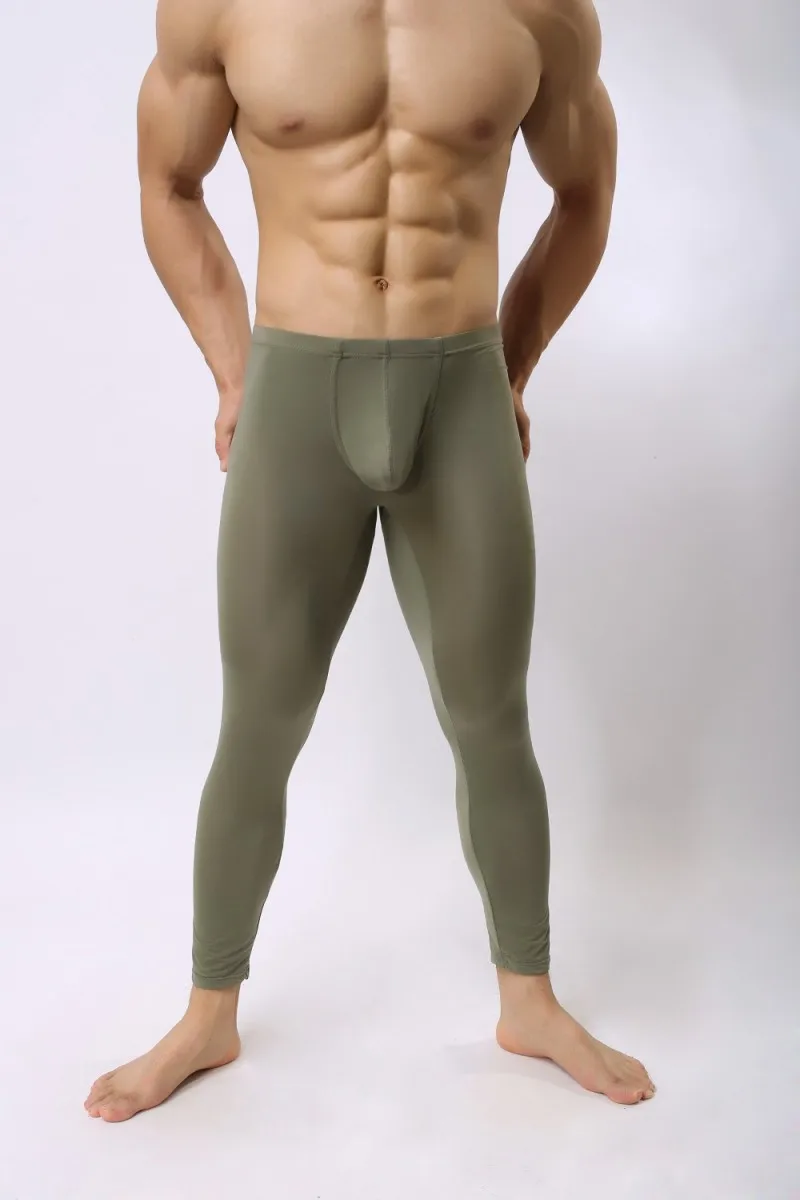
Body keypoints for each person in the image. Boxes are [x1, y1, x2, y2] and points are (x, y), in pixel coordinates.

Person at [85, 0, 655, 1122]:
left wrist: (511, 366)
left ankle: (529, 1001)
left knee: (489, 715)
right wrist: (234, 372)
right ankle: (207, 1013)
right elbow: (168, 181)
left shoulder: (538, 9)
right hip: (295, 394)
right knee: (260, 722)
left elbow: (585, 192)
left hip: (460, 389)